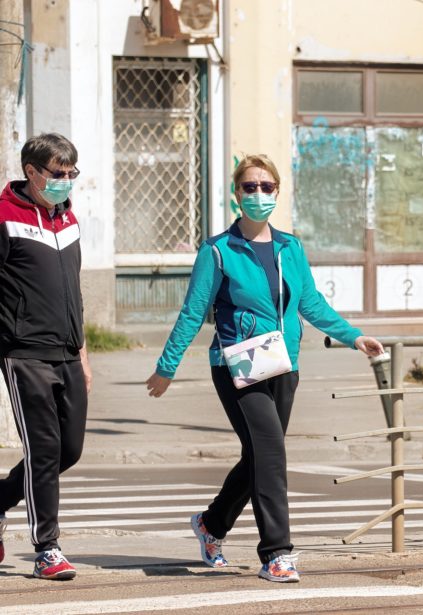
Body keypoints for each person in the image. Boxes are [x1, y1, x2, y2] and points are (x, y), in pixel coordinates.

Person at [145, 154, 383, 583]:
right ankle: (277, 553)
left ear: (277, 191)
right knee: (271, 453)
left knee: (260, 455)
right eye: (249, 187)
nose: (258, 194)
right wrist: (167, 368)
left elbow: (309, 303)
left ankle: (211, 524)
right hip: (238, 364)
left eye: (266, 187)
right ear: (236, 194)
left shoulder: (290, 247)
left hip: (283, 363)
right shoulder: (218, 251)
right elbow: (193, 311)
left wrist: (354, 336)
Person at [0, 133, 92, 580]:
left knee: (68, 450)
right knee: (43, 449)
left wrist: (85, 352)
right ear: (31, 171)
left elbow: (74, 290)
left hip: (68, 352)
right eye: (58, 173)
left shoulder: (68, 217)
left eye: (72, 173)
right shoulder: (3, 216)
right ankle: (47, 549)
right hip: (24, 353)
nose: (66, 181)